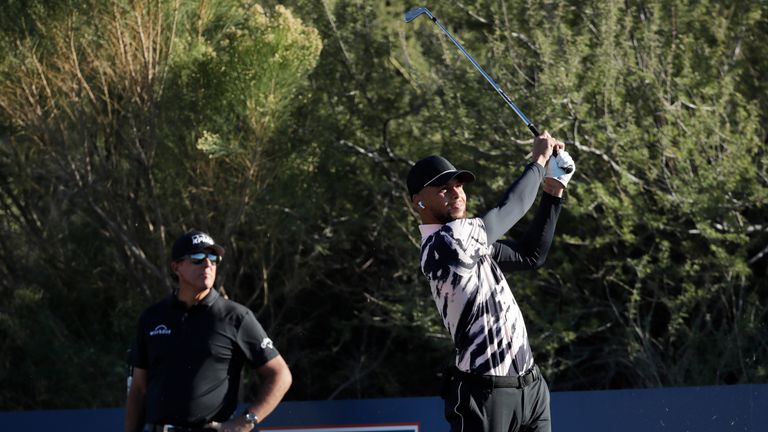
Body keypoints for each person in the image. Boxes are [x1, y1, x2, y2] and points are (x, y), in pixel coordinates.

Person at [406, 132, 575, 432]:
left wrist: (552, 189)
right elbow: (511, 209)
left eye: (458, 185)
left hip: (531, 389)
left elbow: (530, 255)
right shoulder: (446, 243)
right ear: (418, 202)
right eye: (444, 189)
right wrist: (538, 161)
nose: (456, 193)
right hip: (485, 396)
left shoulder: (472, 242)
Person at [125, 230, 292, 432]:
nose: (208, 264)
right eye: (197, 258)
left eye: (213, 258)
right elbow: (139, 389)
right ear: (176, 267)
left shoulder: (236, 317)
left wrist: (244, 422)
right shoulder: (152, 317)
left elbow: (280, 374)